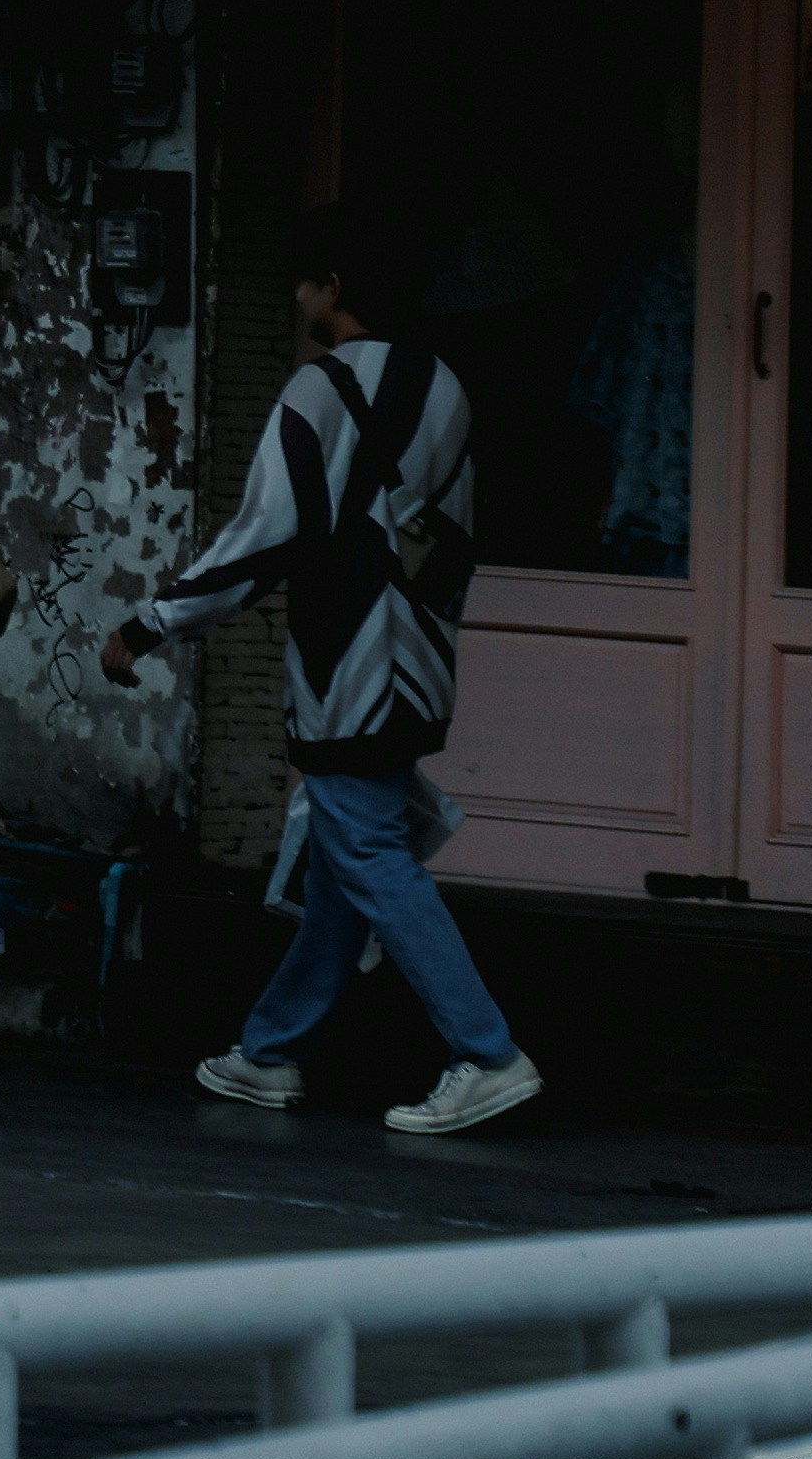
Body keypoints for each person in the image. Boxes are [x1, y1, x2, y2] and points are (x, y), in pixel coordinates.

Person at [101, 205, 542, 1138]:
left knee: (368, 853)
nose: (297, 299)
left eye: (303, 283)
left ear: (333, 287)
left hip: (348, 662)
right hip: (419, 654)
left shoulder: (319, 392)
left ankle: (487, 1053)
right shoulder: (449, 387)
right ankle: (271, 1052)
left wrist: (147, 626)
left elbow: (261, 538)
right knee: (350, 858)